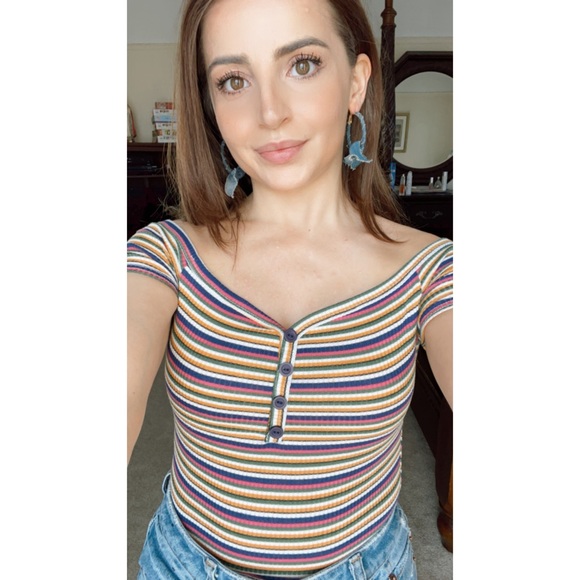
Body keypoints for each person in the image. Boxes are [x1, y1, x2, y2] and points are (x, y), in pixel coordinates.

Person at [127, 0, 453, 578]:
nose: (269, 112)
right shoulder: (165, 255)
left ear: (356, 83)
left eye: (302, 64)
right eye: (233, 80)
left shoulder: (432, 270)